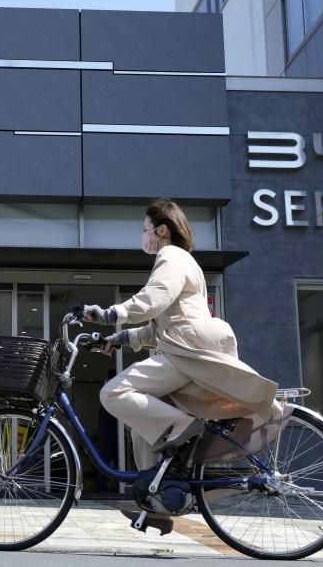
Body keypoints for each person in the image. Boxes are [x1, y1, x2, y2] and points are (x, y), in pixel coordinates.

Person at [78, 198, 280, 534]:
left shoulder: (170, 256)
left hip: (187, 351)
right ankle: (154, 501)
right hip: (187, 346)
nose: (143, 236)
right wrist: (116, 340)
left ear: (161, 230)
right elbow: (160, 325)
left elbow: (154, 298)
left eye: (145, 229)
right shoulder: (187, 262)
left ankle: (183, 424)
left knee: (113, 392)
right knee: (140, 425)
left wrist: (111, 314)